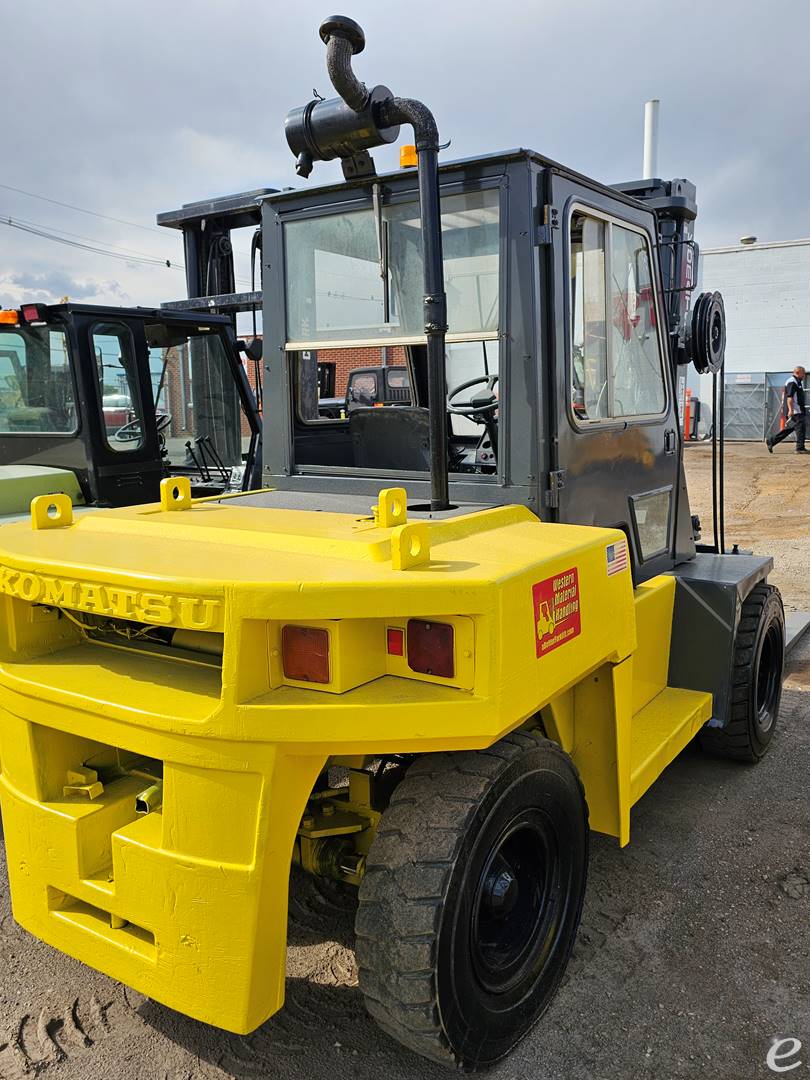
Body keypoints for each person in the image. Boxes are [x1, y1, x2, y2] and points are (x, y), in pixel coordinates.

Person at [766, 366, 807, 454]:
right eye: (803, 373)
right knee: (800, 428)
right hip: (796, 410)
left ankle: (771, 441)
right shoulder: (792, 382)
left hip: (798, 409)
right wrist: (790, 410)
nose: (804, 375)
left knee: (789, 429)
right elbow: (790, 397)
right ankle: (800, 448)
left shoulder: (798, 382)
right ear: (798, 372)